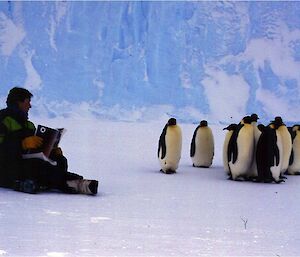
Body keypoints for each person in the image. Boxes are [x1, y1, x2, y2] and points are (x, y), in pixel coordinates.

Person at [0, 87, 98, 195]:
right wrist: (21, 144)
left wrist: (51, 150)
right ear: (18, 102)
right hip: (7, 166)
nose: (30, 106)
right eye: (27, 102)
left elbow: (35, 149)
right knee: (37, 166)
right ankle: (75, 184)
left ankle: (39, 182)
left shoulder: (29, 125)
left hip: (25, 163)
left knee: (59, 160)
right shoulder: (3, 120)